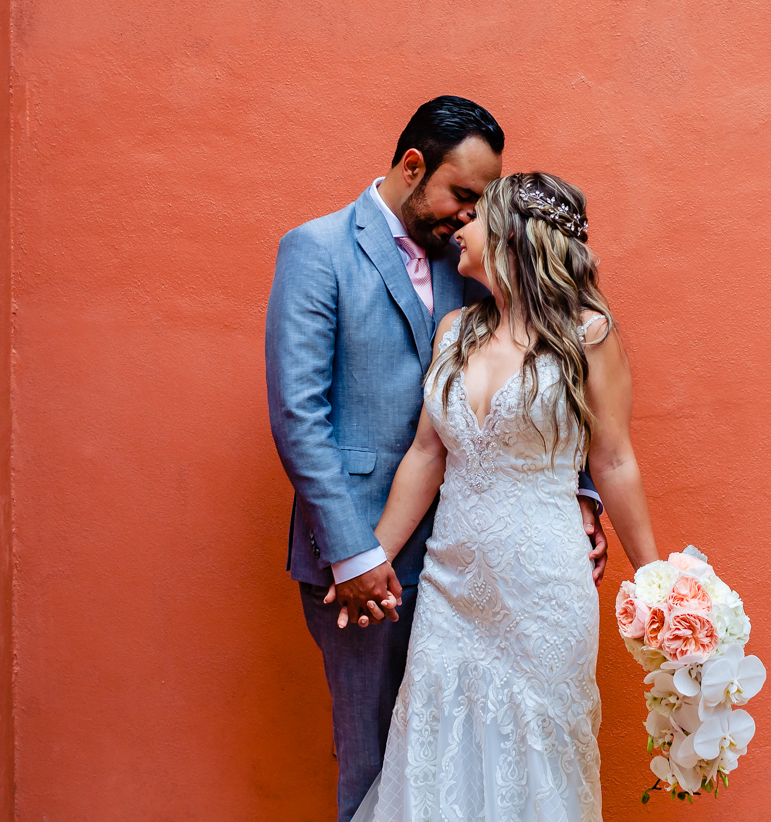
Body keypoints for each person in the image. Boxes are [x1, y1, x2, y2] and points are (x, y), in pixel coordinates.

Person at [266, 99, 609, 822]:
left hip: (479, 565)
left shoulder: (476, 261)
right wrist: (355, 555)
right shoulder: (317, 249)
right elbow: (300, 417)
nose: (469, 217)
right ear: (414, 165)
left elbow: (541, 368)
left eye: (482, 203)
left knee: (478, 769)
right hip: (363, 562)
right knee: (379, 766)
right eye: (463, 195)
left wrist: (576, 490)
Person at [345, 172, 660, 822]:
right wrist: (373, 557)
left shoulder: (589, 334)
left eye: (474, 218)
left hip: (544, 586)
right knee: (435, 750)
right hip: (451, 585)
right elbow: (427, 454)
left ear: (511, 237)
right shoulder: (454, 330)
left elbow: (615, 456)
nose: (458, 229)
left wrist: (655, 575)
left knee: (537, 751)